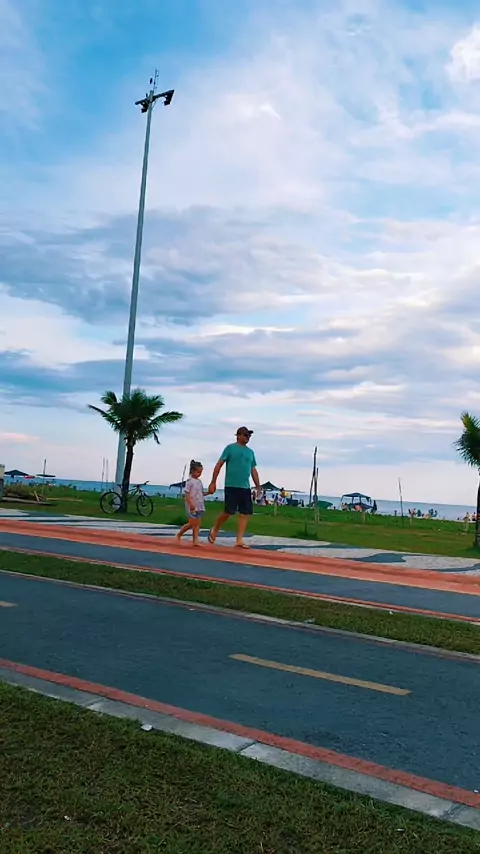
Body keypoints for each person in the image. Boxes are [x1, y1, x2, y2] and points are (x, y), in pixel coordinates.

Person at [208, 426, 261, 548]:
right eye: (245, 435)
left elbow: (253, 470)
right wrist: (213, 482)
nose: (247, 437)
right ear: (238, 435)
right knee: (229, 511)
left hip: (245, 487)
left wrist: (258, 486)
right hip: (231, 485)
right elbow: (219, 465)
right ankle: (215, 528)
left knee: (245, 513)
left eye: (249, 436)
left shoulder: (250, 452)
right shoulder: (230, 448)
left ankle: (239, 540)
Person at [176, 460, 206, 547]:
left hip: (199, 505)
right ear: (192, 471)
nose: (199, 474)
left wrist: (209, 493)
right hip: (191, 505)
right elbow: (187, 494)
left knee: (197, 524)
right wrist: (191, 504)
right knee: (192, 523)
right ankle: (179, 534)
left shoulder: (199, 482)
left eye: (200, 472)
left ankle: (195, 541)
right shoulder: (189, 481)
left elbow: (201, 493)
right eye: (198, 472)